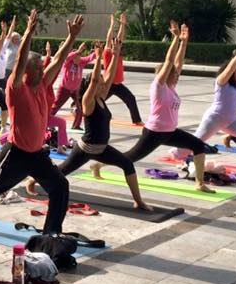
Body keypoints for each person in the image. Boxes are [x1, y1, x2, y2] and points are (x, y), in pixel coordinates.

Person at [0, 9, 80, 235]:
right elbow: (19, 61)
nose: (42, 70)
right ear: (26, 71)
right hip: (16, 155)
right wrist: (28, 32)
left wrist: (72, 37)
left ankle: (52, 233)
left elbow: (57, 61)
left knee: (60, 186)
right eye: (37, 67)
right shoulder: (16, 87)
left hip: (37, 155)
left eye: (41, 67)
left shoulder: (41, 84)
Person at [32, 18, 151, 209]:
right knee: (60, 172)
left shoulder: (101, 97)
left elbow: (109, 76)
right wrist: (97, 57)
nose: (104, 84)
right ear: (91, 86)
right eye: (99, 83)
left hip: (102, 149)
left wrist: (117, 51)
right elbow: (96, 80)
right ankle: (33, 181)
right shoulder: (87, 101)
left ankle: (138, 201)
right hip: (85, 149)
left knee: (127, 165)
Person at [100, 23, 215, 193]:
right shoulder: (159, 86)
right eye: (173, 73)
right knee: (129, 158)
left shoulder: (171, 86)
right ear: (165, 73)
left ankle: (199, 183)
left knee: (198, 145)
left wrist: (184, 42)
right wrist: (175, 38)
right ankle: (98, 164)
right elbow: (170, 61)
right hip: (154, 132)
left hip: (170, 132)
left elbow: (177, 62)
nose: (177, 74)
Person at [175, 38, 236, 169]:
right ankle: (176, 153)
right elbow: (230, 67)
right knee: (197, 140)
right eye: (235, 71)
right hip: (214, 119)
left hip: (231, 121)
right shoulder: (221, 82)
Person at [101, 14, 142, 124]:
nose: (116, 44)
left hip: (118, 85)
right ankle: (79, 110)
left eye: (118, 43)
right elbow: (109, 38)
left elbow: (120, 37)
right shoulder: (107, 52)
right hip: (108, 84)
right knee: (98, 101)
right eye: (114, 43)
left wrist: (122, 25)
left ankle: (137, 120)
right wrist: (112, 25)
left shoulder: (118, 53)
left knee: (131, 99)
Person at [50, 43, 94, 130]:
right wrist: (78, 51)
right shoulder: (67, 63)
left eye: (79, 57)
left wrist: (97, 51)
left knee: (79, 108)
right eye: (76, 57)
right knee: (55, 107)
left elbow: (89, 58)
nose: (78, 59)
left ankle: (76, 125)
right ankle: (47, 121)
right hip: (64, 89)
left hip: (75, 90)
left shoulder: (81, 63)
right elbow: (67, 57)